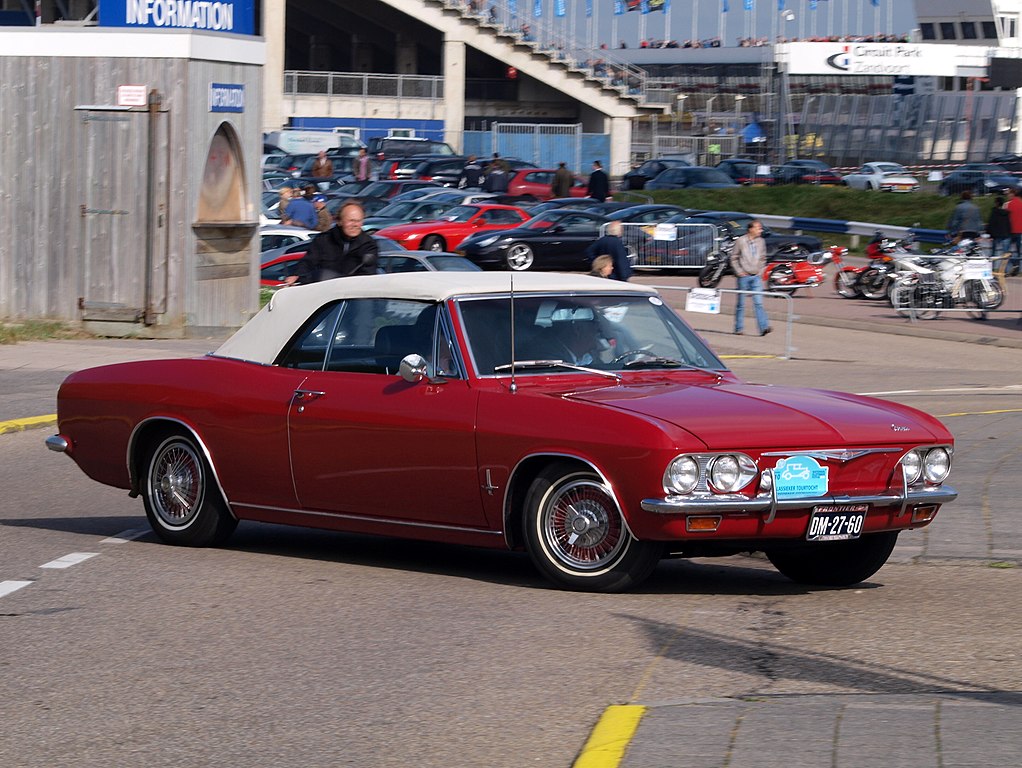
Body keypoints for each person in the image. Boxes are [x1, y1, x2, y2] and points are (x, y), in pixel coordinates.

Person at [289, 201, 378, 283]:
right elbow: (308, 262)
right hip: (324, 290)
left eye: (358, 221)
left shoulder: (368, 245)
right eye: (351, 221)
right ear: (339, 221)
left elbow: (368, 275)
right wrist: (297, 275)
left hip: (353, 293)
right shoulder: (323, 240)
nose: (355, 225)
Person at [730, 219, 771, 336]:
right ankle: (739, 328)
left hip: (756, 276)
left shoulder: (761, 241)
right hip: (744, 276)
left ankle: (763, 327)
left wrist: (761, 271)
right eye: (758, 228)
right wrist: (739, 272)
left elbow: (763, 258)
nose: (760, 230)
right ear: (751, 229)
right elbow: (734, 257)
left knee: (758, 303)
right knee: (741, 304)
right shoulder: (741, 241)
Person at [986, 195, 1012, 274]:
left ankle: (992, 269)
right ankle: (1006, 270)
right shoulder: (1006, 213)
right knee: (1006, 253)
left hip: (996, 235)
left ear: (996, 203)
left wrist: (990, 234)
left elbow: (991, 223)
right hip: (1006, 234)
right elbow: (1008, 224)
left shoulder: (994, 212)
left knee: (993, 253)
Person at [1004, 186, 1022, 275]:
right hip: (1020, 230)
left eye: (1008, 194)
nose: (1007, 195)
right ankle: (1017, 268)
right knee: (1019, 251)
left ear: (1012, 194)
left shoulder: (1007, 204)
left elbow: (1005, 218)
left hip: (1010, 231)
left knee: (1006, 251)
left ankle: (1011, 265)